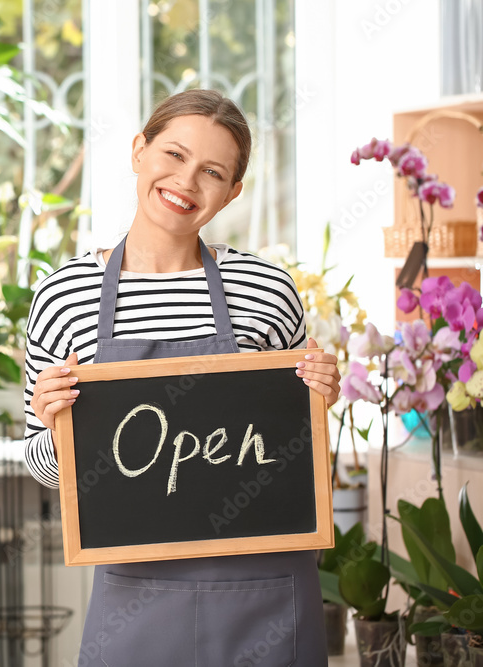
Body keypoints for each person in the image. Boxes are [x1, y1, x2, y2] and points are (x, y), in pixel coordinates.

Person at [22, 89, 341, 666]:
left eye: (212, 171)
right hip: (135, 602)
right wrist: (57, 424)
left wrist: (319, 398)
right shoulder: (64, 295)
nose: (186, 181)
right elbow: (44, 470)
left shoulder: (266, 290)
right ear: (139, 151)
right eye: (172, 154)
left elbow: (297, 457)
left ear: (233, 191)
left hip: (266, 595)